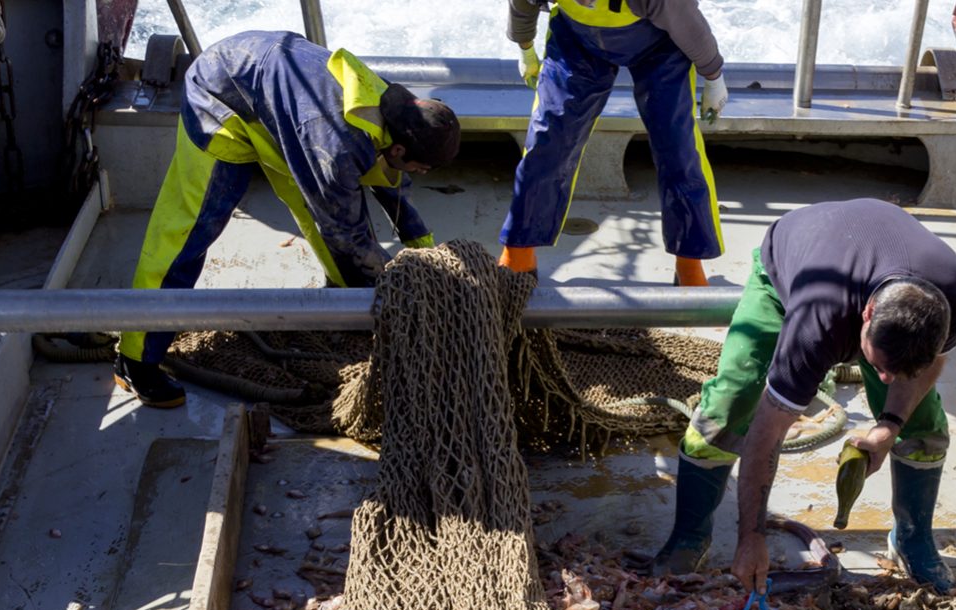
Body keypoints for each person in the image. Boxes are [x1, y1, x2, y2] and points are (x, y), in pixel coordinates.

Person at [115, 30, 460, 408]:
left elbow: (392, 186)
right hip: (221, 101)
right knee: (188, 232)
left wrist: (425, 254)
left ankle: (348, 306)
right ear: (397, 147)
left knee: (328, 223)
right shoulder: (335, 148)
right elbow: (349, 236)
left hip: (280, 112)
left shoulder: (393, 106)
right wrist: (403, 286)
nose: (422, 174)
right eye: (422, 166)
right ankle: (135, 359)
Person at [649, 199, 956, 594]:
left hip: (872, 253)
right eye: (879, 366)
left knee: (923, 425)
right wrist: (751, 539)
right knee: (729, 407)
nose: (885, 378)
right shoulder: (819, 319)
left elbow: (930, 363)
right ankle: (689, 537)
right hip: (794, 253)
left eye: (897, 372)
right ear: (868, 313)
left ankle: (912, 539)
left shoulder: (954, 295)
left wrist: (889, 426)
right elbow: (766, 435)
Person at [499, 0, 728, 286]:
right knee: (548, 136)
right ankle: (518, 251)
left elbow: (689, 25)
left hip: (661, 42)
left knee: (677, 146)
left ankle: (690, 261)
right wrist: (525, 47)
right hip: (576, 37)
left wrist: (713, 75)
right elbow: (522, 3)